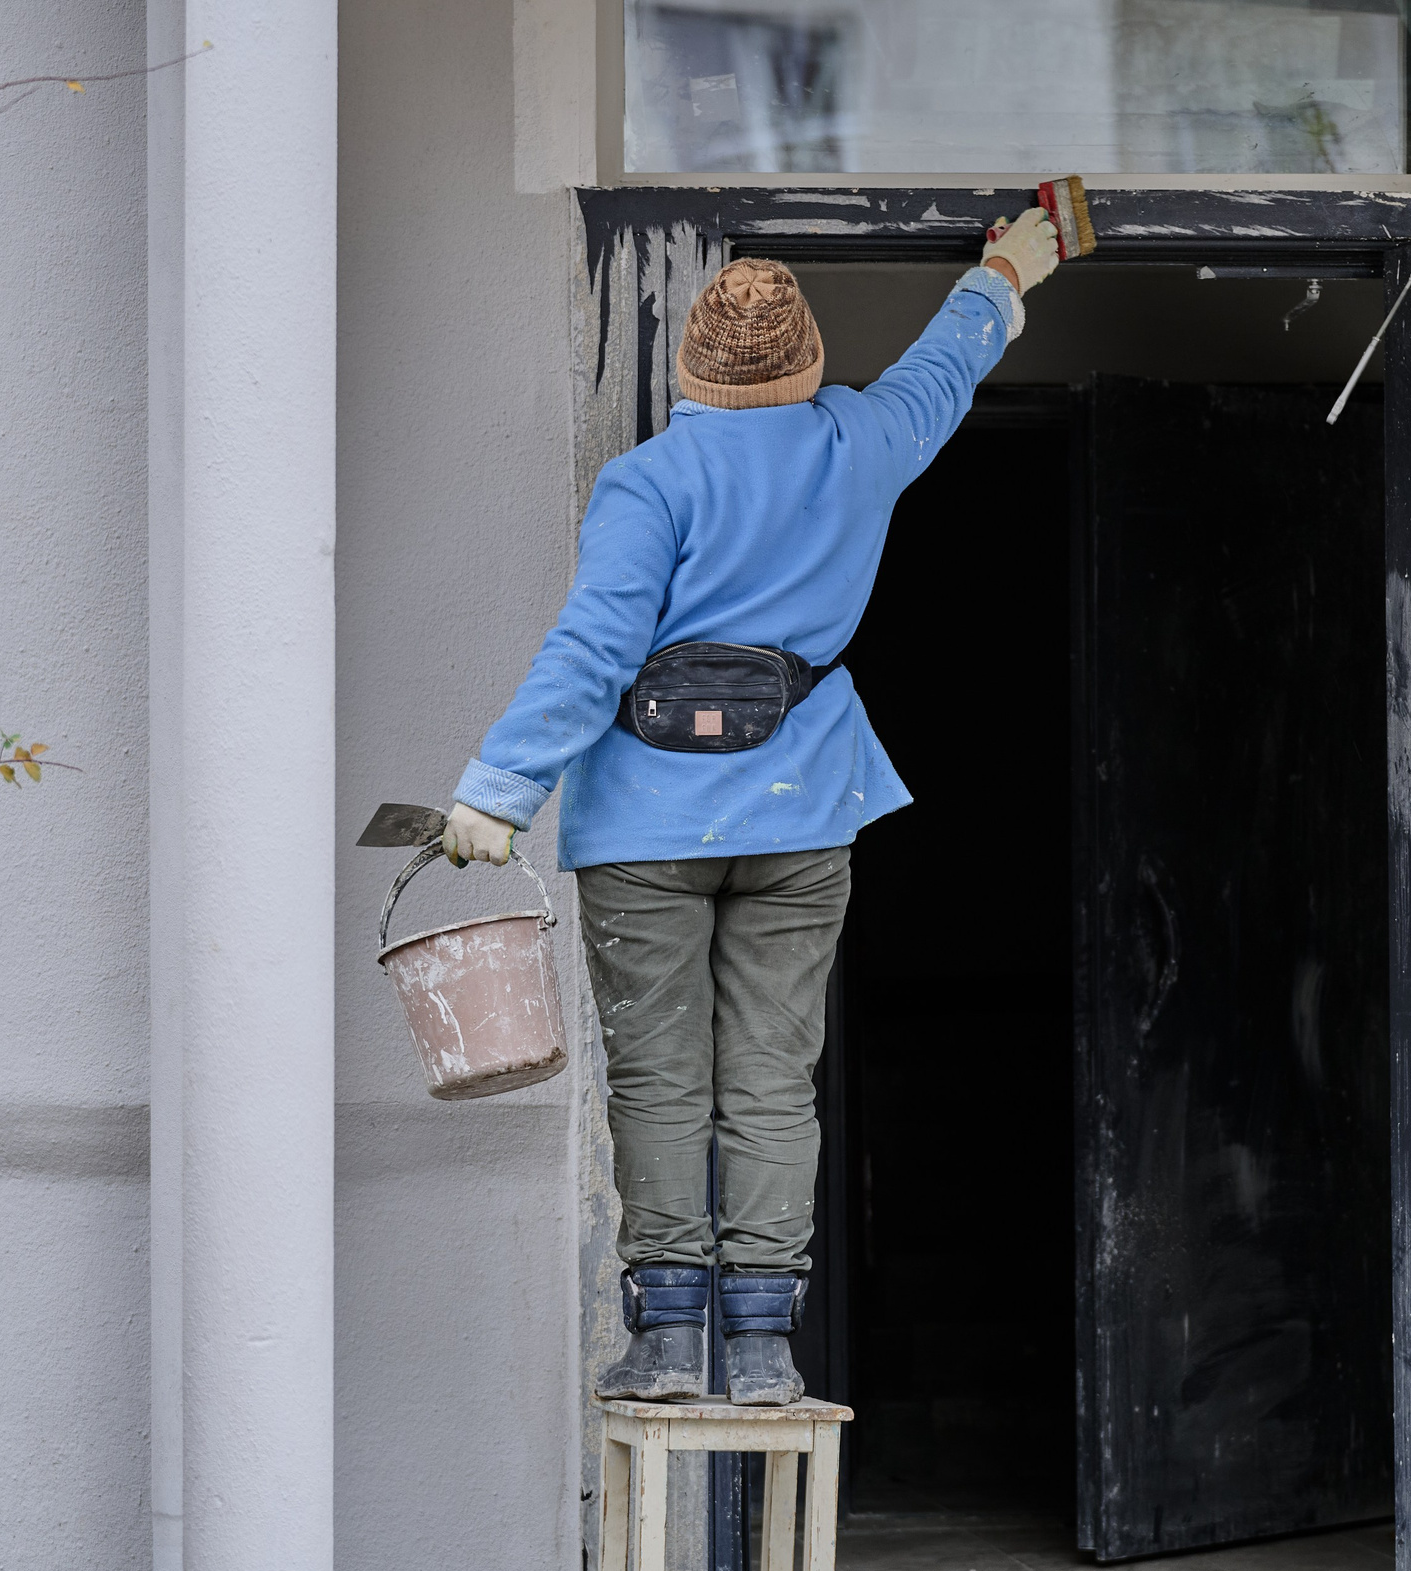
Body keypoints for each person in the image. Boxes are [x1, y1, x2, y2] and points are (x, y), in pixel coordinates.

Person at [442, 209, 1064, 1405]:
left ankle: (670, 1343)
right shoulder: (863, 440)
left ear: (692, 374)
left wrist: (499, 791)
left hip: (646, 825)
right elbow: (945, 364)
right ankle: (768, 1350)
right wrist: (1004, 271)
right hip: (802, 808)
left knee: (661, 1079)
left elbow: (596, 648)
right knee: (776, 1075)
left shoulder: (648, 483)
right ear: (808, 365)